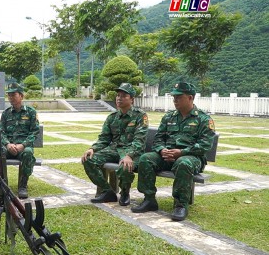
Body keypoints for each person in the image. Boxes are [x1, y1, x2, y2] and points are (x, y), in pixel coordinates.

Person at [132, 82, 216, 221]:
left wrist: (181, 152)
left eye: (178, 96)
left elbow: (205, 145)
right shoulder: (169, 117)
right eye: (173, 97)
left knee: (184, 163)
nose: (175, 100)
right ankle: (149, 199)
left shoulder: (203, 119)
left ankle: (180, 205)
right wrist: (162, 150)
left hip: (191, 157)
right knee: (146, 158)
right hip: (168, 156)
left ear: (190, 98)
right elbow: (158, 139)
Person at [81, 83, 148, 205]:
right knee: (88, 159)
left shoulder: (140, 116)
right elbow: (104, 138)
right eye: (118, 95)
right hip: (114, 150)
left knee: (125, 165)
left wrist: (129, 155)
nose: (119, 98)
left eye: (123, 96)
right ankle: (108, 192)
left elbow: (140, 140)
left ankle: (125, 193)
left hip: (132, 151)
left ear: (132, 99)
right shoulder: (112, 117)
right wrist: (93, 149)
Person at [0, 82, 40, 199]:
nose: (11, 97)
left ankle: (23, 185)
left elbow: (34, 132)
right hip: (8, 146)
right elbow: (0, 131)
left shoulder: (31, 112)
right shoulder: (6, 113)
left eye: (14, 95)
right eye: (9, 95)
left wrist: (22, 145)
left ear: (21, 96)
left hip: (23, 147)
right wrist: (7, 144)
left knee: (28, 153)